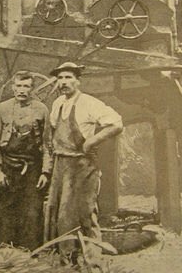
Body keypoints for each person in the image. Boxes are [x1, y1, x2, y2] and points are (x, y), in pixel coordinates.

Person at [43, 62, 123, 265]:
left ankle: (93, 261)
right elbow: (54, 132)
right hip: (61, 164)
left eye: (68, 78)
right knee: (61, 215)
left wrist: (92, 141)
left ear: (78, 81)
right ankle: (68, 260)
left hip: (82, 166)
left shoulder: (89, 103)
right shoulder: (58, 103)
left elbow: (116, 123)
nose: (63, 82)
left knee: (85, 213)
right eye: (60, 78)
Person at [0, 70, 51, 250]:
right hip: (7, 166)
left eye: (26, 86)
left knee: (32, 212)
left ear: (32, 88)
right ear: (12, 87)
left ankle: (30, 254)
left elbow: (48, 145)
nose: (22, 90)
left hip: (32, 168)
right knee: (5, 211)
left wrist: (45, 172)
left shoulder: (41, 109)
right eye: (18, 86)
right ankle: (5, 253)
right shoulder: (2, 109)